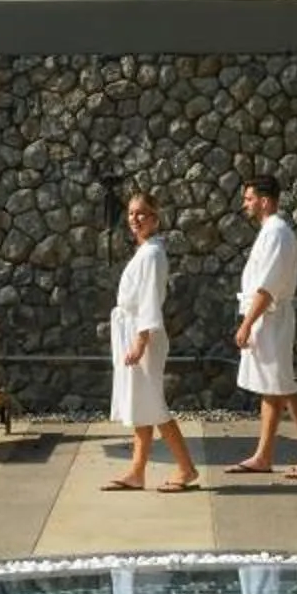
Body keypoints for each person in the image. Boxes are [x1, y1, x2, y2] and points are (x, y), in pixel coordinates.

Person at [225, 173, 297, 479]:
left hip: (271, 319)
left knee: (281, 386)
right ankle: (268, 455)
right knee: (275, 388)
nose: (245, 204)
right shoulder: (271, 231)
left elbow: (267, 287)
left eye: (249, 198)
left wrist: (247, 324)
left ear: (265, 201)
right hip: (267, 319)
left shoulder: (277, 233)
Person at [104, 189, 197, 493]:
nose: (135, 219)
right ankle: (137, 472)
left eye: (142, 213)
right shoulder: (145, 251)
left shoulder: (154, 254)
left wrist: (140, 342)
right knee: (140, 404)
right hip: (133, 331)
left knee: (153, 404)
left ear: (155, 219)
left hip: (142, 335)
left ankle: (186, 468)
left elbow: (149, 300)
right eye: (131, 213)